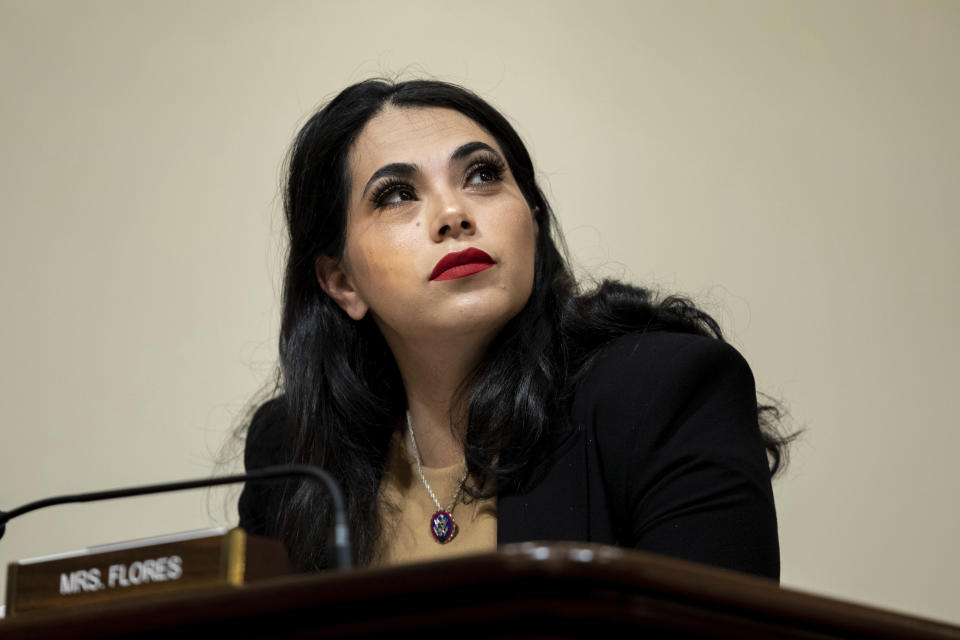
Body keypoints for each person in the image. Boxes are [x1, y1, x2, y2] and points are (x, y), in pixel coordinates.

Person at [238, 78, 789, 579]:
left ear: (533, 219)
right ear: (342, 282)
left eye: (481, 175)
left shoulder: (661, 392)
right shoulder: (293, 452)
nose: (453, 213)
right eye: (398, 194)